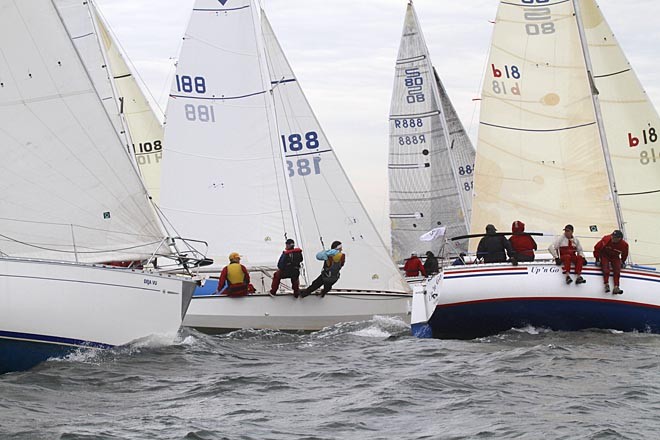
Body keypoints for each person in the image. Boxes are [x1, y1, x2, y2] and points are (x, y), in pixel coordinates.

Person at [594, 230, 629, 295]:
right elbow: (597, 248)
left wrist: (623, 261)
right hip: (605, 255)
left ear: (619, 239)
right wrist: (597, 259)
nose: (612, 238)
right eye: (612, 236)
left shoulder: (624, 245)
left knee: (617, 270)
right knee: (605, 268)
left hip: (615, 256)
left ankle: (616, 287)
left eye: (614, 238)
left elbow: (625, 254)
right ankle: (606, 284)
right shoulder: (606, 239)